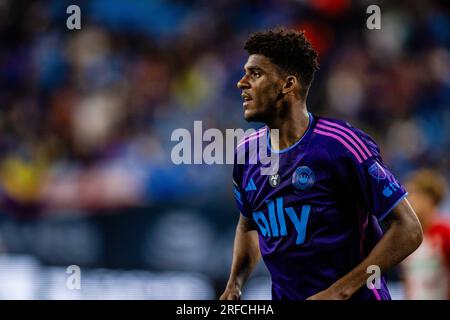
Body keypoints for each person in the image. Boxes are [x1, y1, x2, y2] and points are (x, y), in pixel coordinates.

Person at [220, 28, 423, 300]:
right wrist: (235, 285)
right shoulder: (246, 154)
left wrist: (339, 291)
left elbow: (408, 229)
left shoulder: (342, 145)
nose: (241, 82)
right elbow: (248, 225)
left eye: (255, 73)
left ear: (287, 84)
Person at [402, 169, 450, 300]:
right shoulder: (406, 238)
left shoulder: (445, 233)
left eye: (413, 194)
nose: (408, 200)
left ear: (429, 198)